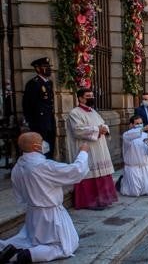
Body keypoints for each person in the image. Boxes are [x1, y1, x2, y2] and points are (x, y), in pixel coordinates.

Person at [0, 133, 90, 263]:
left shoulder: (18, 167)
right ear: (36, 146)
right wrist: (83, 152)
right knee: (65, 246)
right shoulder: (44, 166)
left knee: (30, 239)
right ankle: (21, 256)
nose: (44, 143)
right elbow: (76, 171)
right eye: (42, 141)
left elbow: (20, 196)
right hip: (50, 214)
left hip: (33, 212)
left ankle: (7, 249)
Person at [66, 88, 117, 210]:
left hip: (99, 147)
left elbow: (102, 123)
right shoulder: (75, 113)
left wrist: (104, 129)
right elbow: (77, 130)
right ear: (80, 98)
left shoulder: (93, 111)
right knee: (89, 172)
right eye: (88, 96)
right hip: (87, 147)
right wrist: (97, 130)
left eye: (92, 96)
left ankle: (103, 199)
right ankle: (90, 202)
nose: (91, 98)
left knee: (101, 172)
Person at [22, 57, 56, 159]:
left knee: (50, 144)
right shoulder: (33, 83)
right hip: (39, 122)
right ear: (37, 68)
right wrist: (30, 121)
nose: (48, 69)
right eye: (45, 67)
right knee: (41, 146)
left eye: (48, 66)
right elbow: (27, 104)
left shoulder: (49, 83)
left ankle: (49, 164)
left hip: (49, 119)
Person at [118, 115, 148, 197]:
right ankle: (120, 183)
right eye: (137, 123)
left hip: (146, 168)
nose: (139, 125)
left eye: (141, 123)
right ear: (131, 125)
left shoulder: (147, 136)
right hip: (133, 169)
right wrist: (143, 128)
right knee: (134, 193)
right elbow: (131, 134)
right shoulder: (127, 136)